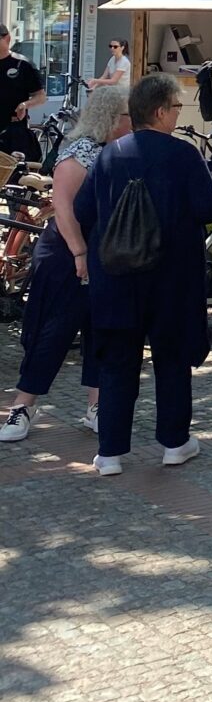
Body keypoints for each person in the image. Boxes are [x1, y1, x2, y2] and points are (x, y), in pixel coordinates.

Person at [72, 74, 212, 475]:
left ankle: (110, 453)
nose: (177, 114)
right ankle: (174, 442)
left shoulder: (108, 155)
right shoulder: (184, 155)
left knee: (117, 361)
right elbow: (209, 208)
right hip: (172, 278)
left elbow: (84, 210)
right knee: (172, 359)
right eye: (176, 108)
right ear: (160, 111)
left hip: (117, 276)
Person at [0, 85, 133, 444]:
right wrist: (79, 253)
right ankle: (23, 405)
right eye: (127, 116)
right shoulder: (81, 152)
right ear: (111, 118)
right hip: (66, 252)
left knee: (100, 329)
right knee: (52, 330)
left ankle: (97, 405)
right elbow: (64, 207)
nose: (132, 122)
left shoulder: (120, 150)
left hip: (105, 253)